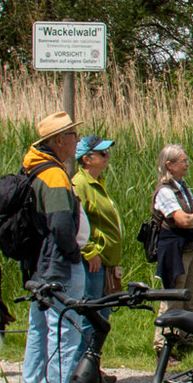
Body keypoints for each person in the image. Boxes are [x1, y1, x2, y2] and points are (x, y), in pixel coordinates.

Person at [17, 111, 88, 383]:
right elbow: (60, 223)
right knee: (66, 326)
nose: (77, 140)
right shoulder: (54, 174)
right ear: (59, 140)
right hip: (59, 263)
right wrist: (73, 256)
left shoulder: (32, 168)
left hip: (38, 263)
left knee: (40, 325)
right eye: (72, 135)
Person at [146, 144, 193, 331]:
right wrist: (192, 219)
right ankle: (164, 346)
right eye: (183, 161)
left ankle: (184, 338)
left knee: (190, 298)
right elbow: (181, 220)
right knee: (173, 299)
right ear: (169, 165)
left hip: (189, 249)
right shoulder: (165, 191)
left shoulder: (183, 189)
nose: (187, 164)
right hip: (174, 252)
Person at [71, 135, 123, 321]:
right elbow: (76, 222)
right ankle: (83, 351)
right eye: (102, 153)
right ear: (87, 159)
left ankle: (94, 351)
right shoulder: (80, 184)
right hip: (93, 263)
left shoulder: (97, 182)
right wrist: (90, 251)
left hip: (104, 261)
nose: (107, 156)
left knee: (102, 315)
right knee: (91, 316)